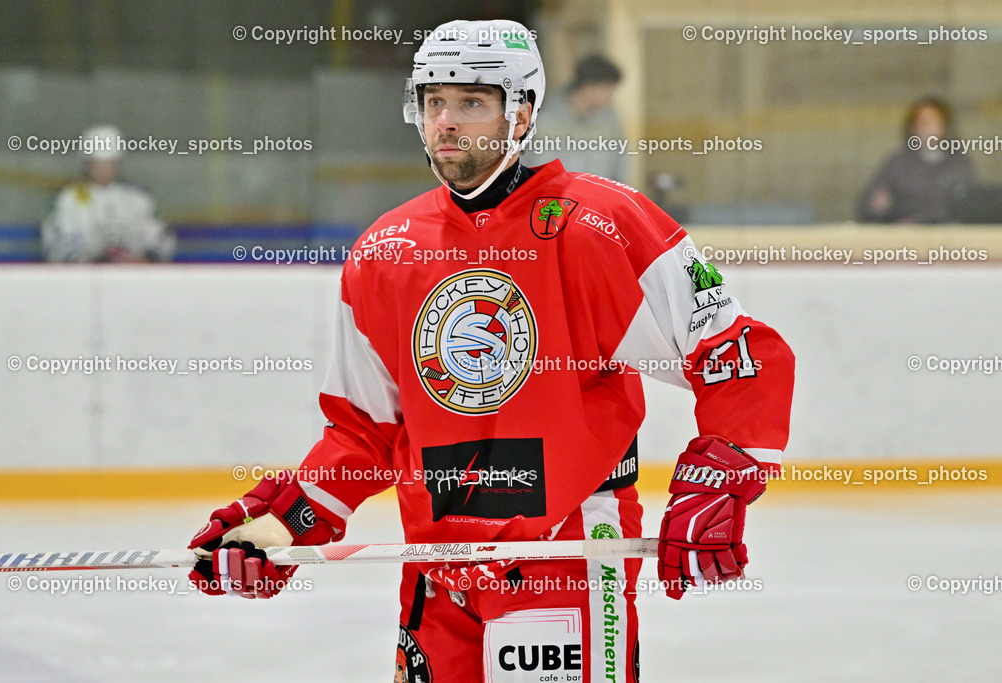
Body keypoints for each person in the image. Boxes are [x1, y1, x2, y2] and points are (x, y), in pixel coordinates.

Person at [187, 19, 794, 682]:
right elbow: (364, 431)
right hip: (438, 574)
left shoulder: (599, 226)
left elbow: (740, 356)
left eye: (472, 103)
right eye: (433, 102)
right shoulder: (387, 252)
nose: (446, 122)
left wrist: (721, 477)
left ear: (523, 110)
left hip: (565, 563)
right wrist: (281, 524)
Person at [41, 125, 174, 262]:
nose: (104, 169)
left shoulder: (138, 198)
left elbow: (160, 238)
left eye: (109, 163)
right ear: (86, 163)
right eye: (98, 163)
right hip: (83, 276)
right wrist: (88, 261)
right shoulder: (67, 199)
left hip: (133, 274)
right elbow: (56, 242)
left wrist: (144, 259)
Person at [856, 97, 976, 223]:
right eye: (923, 123)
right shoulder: (897, 163)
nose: (928, 128)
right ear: (912, 128)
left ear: (945, 126)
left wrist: (923, 220)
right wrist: (876, 208)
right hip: (905, 237)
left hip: (949, 237)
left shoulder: (960, 164)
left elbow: (972, 206)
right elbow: (867, 206)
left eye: (934, 122)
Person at [524, 54, 629, 183]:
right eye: (607, 90)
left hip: (598, 200)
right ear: (588, 86)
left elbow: (620, 170)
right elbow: (529, 171)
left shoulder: (611, 124)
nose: (611, 98)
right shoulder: (543, 122)